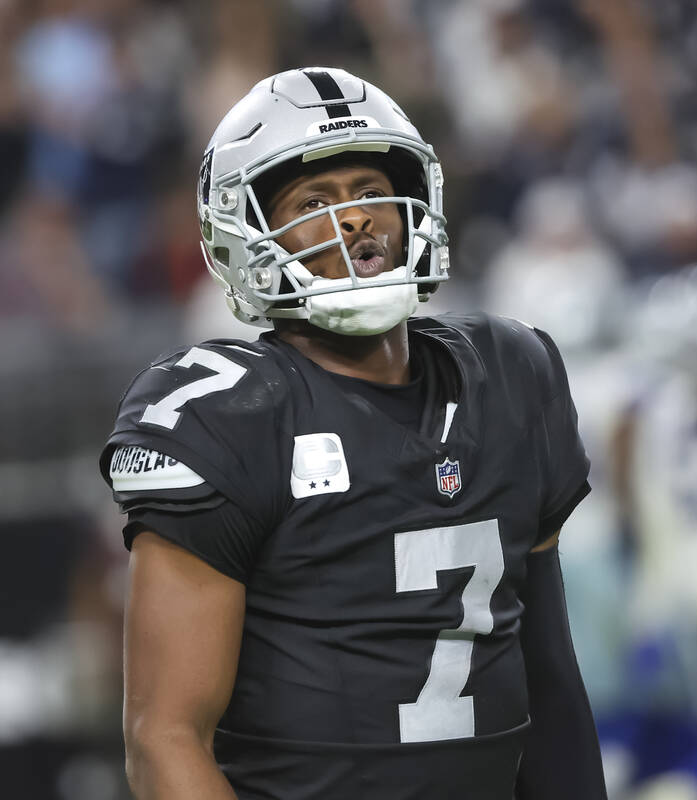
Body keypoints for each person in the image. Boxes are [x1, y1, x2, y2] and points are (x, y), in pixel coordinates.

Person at [100, 67, 607, 799]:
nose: (356, 218)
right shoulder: (228, 413)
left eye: (370, 190)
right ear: (245, 235)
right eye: (314, 202)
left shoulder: (510, 374)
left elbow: (550, 681)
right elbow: (165, 738)